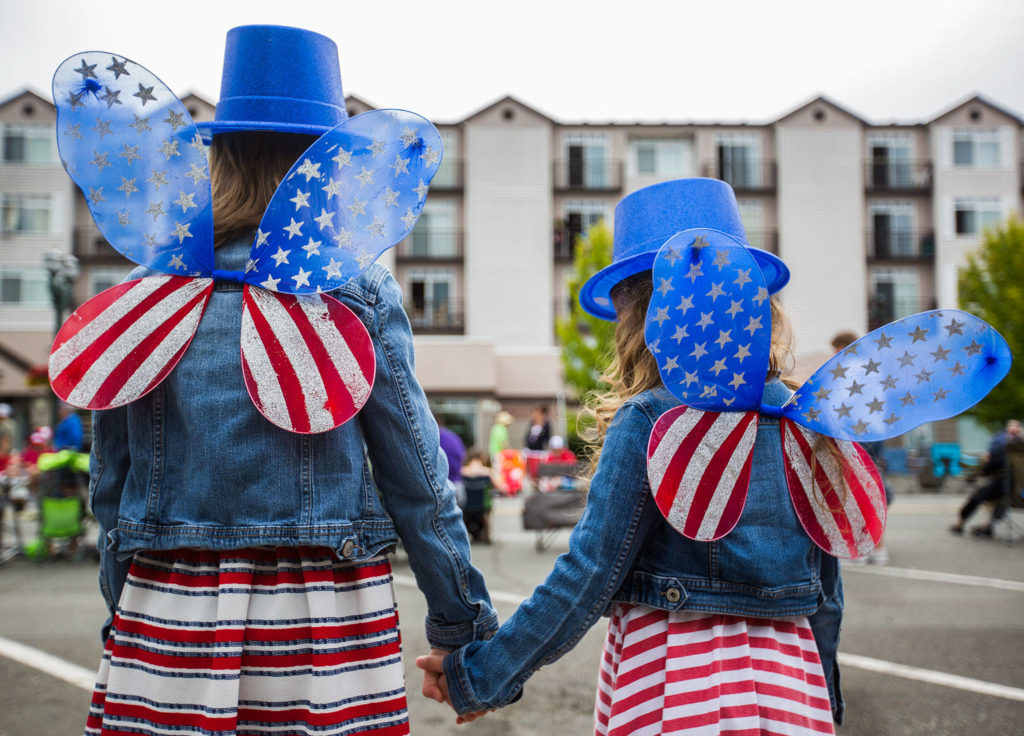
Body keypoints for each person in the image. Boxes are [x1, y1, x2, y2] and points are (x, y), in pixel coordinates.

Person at [70, 26, 495, 735]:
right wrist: (462, 628)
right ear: (328, 166)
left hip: (167, 611)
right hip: (319, 621)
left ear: (221, 155)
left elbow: (110, 484)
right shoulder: (353, 294)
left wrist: (125, 609)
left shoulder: (151, 293)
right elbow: (420, 482)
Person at [418, 179, 846, 732]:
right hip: (791, 686)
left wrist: (483, 676)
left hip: (677, 681)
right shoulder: (804, 420)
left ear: (644, 316)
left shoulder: (651, 420)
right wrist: (826, 695)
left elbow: (589, 574)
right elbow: (827, 587)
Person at [950, 419, 1023, 537]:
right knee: (1003, 499)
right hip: (1019, 491)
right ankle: (988, 526)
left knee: (979, 495)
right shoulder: (1019, 446)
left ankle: (960, 523)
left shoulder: (1005, 444)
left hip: (1005, 481)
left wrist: (985, 465)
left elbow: (994, 462)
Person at [459, 450, 495, 543]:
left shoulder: (462, 471)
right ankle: (487, 536)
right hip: (482, 506)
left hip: (466, 506)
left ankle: (462, 536)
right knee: (488, 507)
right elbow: (500, 486)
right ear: (481, 459)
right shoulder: (488, 472)